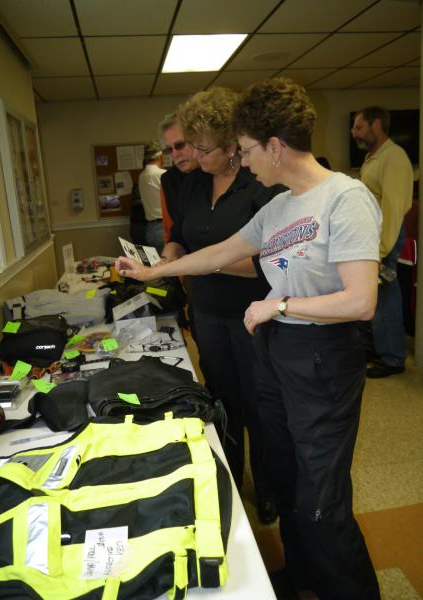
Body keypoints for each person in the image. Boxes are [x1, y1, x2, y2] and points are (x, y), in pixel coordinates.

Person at [116, 77, 382, 600]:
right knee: (285, 479)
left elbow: (360, 301)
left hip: (323, 357)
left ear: (275, 147)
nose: (244, 159)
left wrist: (279, 305)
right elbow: (218, 254)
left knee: (321, 496)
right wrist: (153, 273)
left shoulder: (344, 198)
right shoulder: (279, 208)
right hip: (275, 350)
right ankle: (303, 581)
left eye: (247, 149)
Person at [135, 87, 285, 525]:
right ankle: (232, 481)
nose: (196, 157)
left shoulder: (259, 185)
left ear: (232, 145)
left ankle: (269, 488)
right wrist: (169, 258)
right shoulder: (194, 183)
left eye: (204, 149)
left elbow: (265, 263)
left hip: (252, 315)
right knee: (222, 400)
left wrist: (203, 263)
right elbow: (181, 235)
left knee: (259, 405)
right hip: (208, 313)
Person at [352, 106, 413, 378]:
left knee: (387, 296)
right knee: (376, 296)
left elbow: (393, 207)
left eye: (359, 127)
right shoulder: (373, 157)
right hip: (374, 236)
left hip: (386, 236)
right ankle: (379, 348)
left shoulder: (394, 157)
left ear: (376, 124)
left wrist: (380, 250)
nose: (354, 133)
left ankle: (393, 358)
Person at [158, 112, 200, 243]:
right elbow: (169, 230)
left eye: (180, 145)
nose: (175, 154)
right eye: (168, 150)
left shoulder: (216, 172)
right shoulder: (168, 180)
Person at [138, 141, 166, 253]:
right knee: (169, 262)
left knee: (157, 261)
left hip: (150, 229)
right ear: (160, 156)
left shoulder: (142, 176)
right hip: (163, 227)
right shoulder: (162, 174)